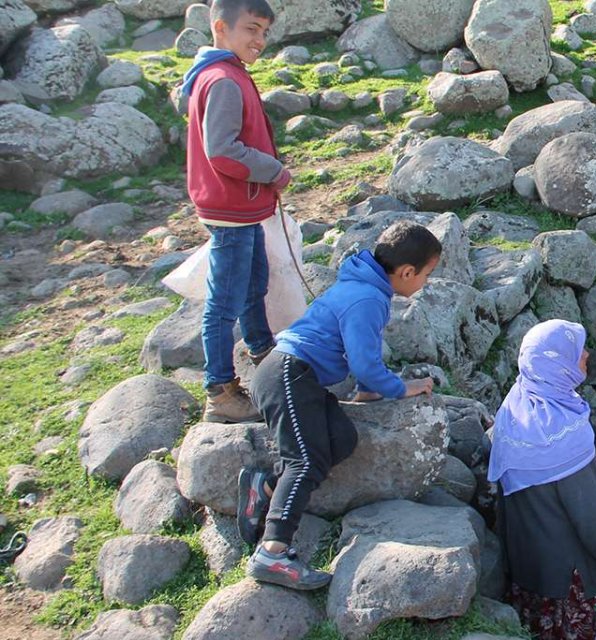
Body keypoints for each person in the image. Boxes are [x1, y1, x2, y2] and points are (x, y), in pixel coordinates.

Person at [236, 221, 441, 589]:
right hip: (288, 374)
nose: (425, 282)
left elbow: (360, 348)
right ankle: (274, 551)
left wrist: (367, 391)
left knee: (342, 438)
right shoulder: (368, 299)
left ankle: (263, 487)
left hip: (302, 379)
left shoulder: (365, 286)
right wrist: (399, 388)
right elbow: (364, 362)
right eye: (427, 274)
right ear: (408, 272)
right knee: (305, 460)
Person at [489, 320, 596, 640]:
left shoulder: (517, 408)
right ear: (556, 364)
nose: (586, 354)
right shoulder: (562, 441)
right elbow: (594, 523)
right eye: (576, 351)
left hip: (531, 575)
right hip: (570, 583)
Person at [183, 0, 292, 423]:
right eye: (251, 29)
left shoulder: (221, 73)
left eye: (264, 32)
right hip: (232, 207)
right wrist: (273, 171)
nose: (259, 40)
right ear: (220, 27)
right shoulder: (224, 79)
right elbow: (223, 149)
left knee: (253, 284)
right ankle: (220, 391)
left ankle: (264, 351)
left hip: (239, 205)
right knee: (225, 301)